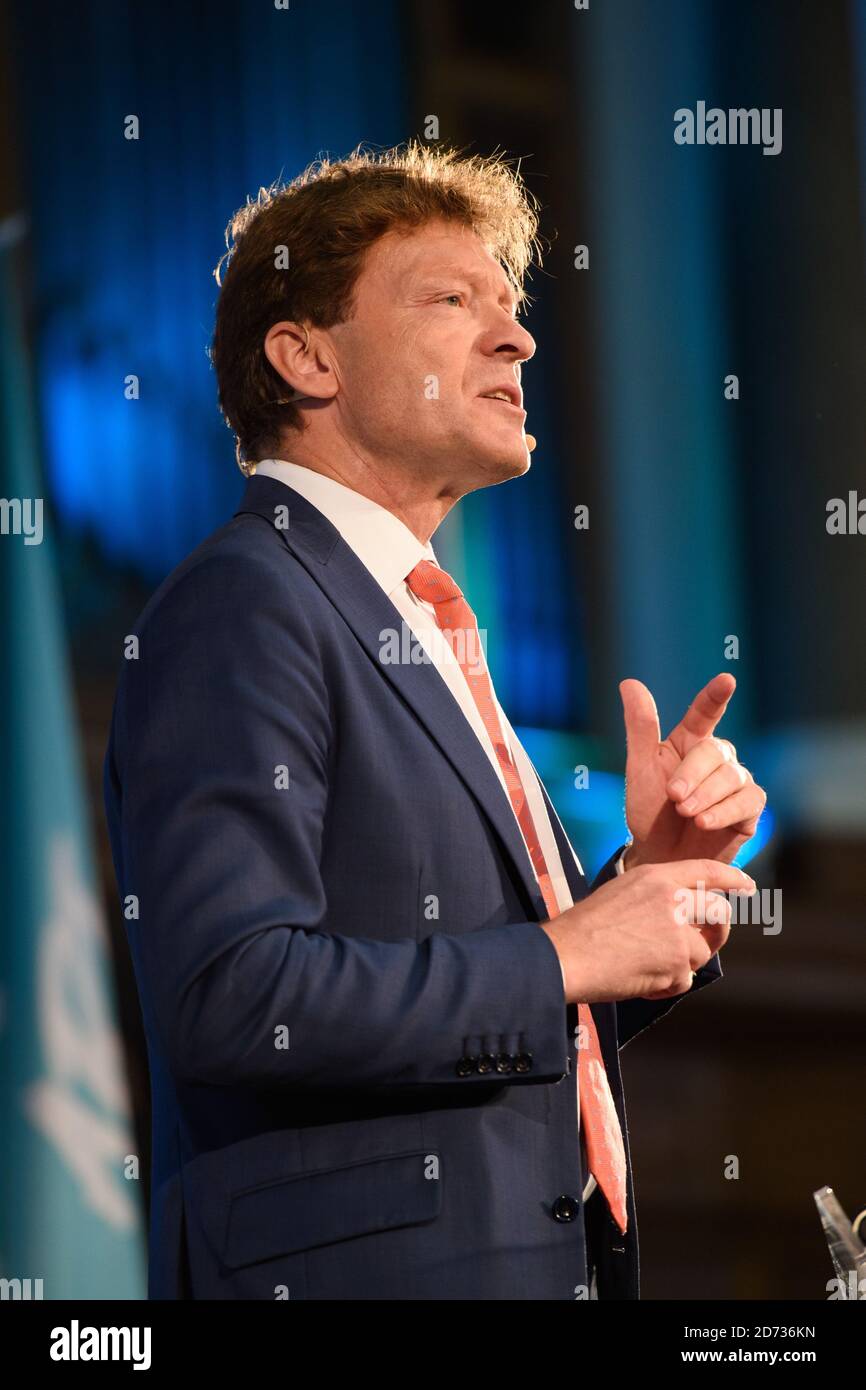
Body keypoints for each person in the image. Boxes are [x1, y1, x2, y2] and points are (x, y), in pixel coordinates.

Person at [103, 142, 765, 1300]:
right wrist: (569, 948)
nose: (515, 338)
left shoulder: (418, 621)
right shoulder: (245, 601)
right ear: (305, 358)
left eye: (509, 309)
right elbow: (233, 997)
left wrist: (636, 891)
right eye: (453, 301)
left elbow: (499, 1005)